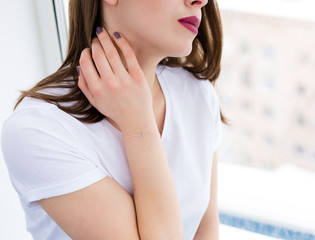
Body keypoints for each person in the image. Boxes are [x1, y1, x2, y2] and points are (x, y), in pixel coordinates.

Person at [1, 0, 226, 239]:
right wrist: (138, 124)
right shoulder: (39, 130)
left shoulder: (198, 94)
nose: (200, 1)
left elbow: (205, 228)